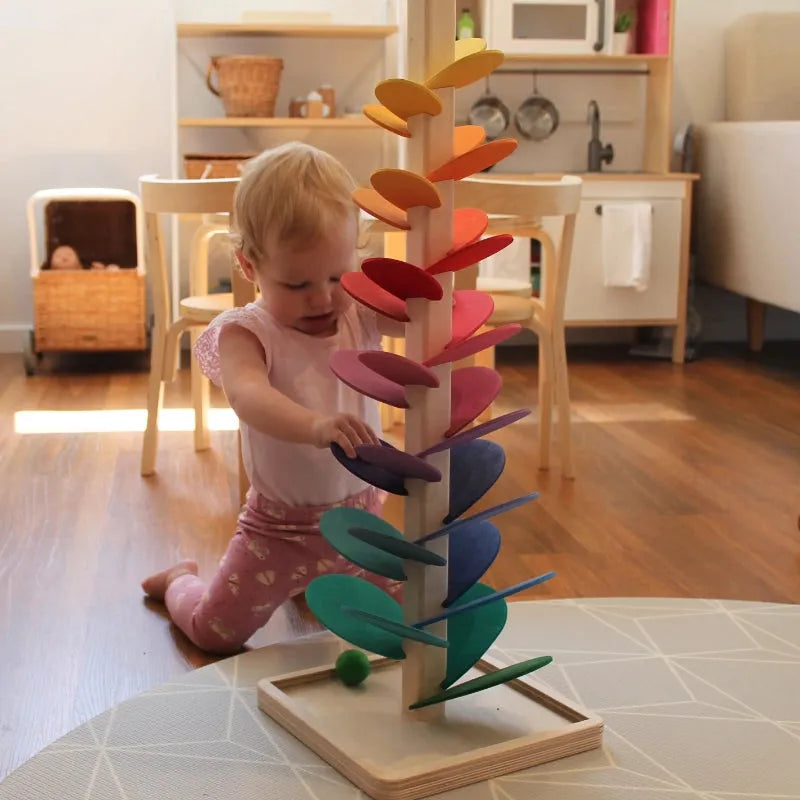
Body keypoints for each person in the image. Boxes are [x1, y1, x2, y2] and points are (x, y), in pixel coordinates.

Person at [142, 142, 403, 654]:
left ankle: (316, 588)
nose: (323, 297)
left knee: (412, 623)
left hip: (362, 523)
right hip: (277, 534)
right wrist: (315, 426)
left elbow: (419, 316)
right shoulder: (249, 331)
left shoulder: (357, 311)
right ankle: (178, 580)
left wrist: (431, 278)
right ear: (248, 265)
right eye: (298, 282)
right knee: (213, 634)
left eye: (335, 275)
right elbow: (248, 395)